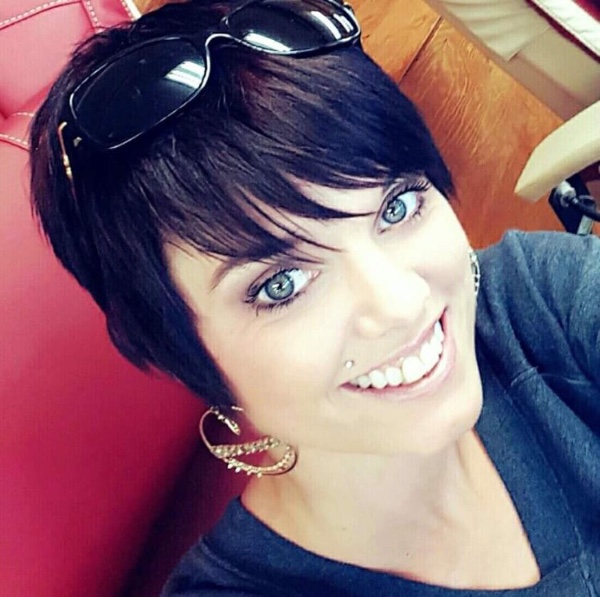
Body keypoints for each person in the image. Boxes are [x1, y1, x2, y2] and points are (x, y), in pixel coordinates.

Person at [29, 0, 600, 594]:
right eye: (282, 284)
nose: (401, 303)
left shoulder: (537, 298)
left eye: (397, 206)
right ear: (174, 346)